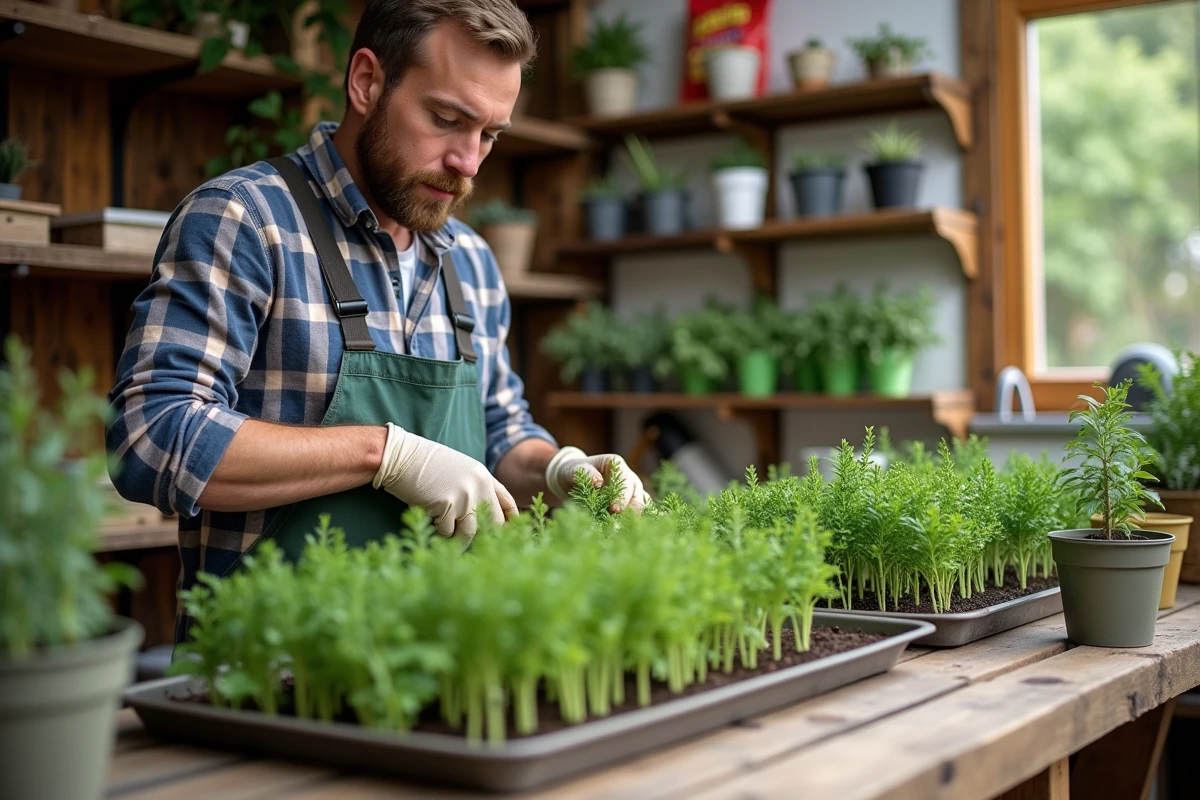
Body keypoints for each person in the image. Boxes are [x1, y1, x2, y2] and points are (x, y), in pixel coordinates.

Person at [105, 0, 647, 643]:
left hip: (438, 665)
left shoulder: (470, 261)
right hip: (273, 671)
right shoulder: (245, 221)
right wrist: (384, 454)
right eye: (447, 119)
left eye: (490, 135)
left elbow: (501, 434)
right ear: (367, 82)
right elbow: (151, 437)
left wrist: (557, 469)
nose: (469, 161)